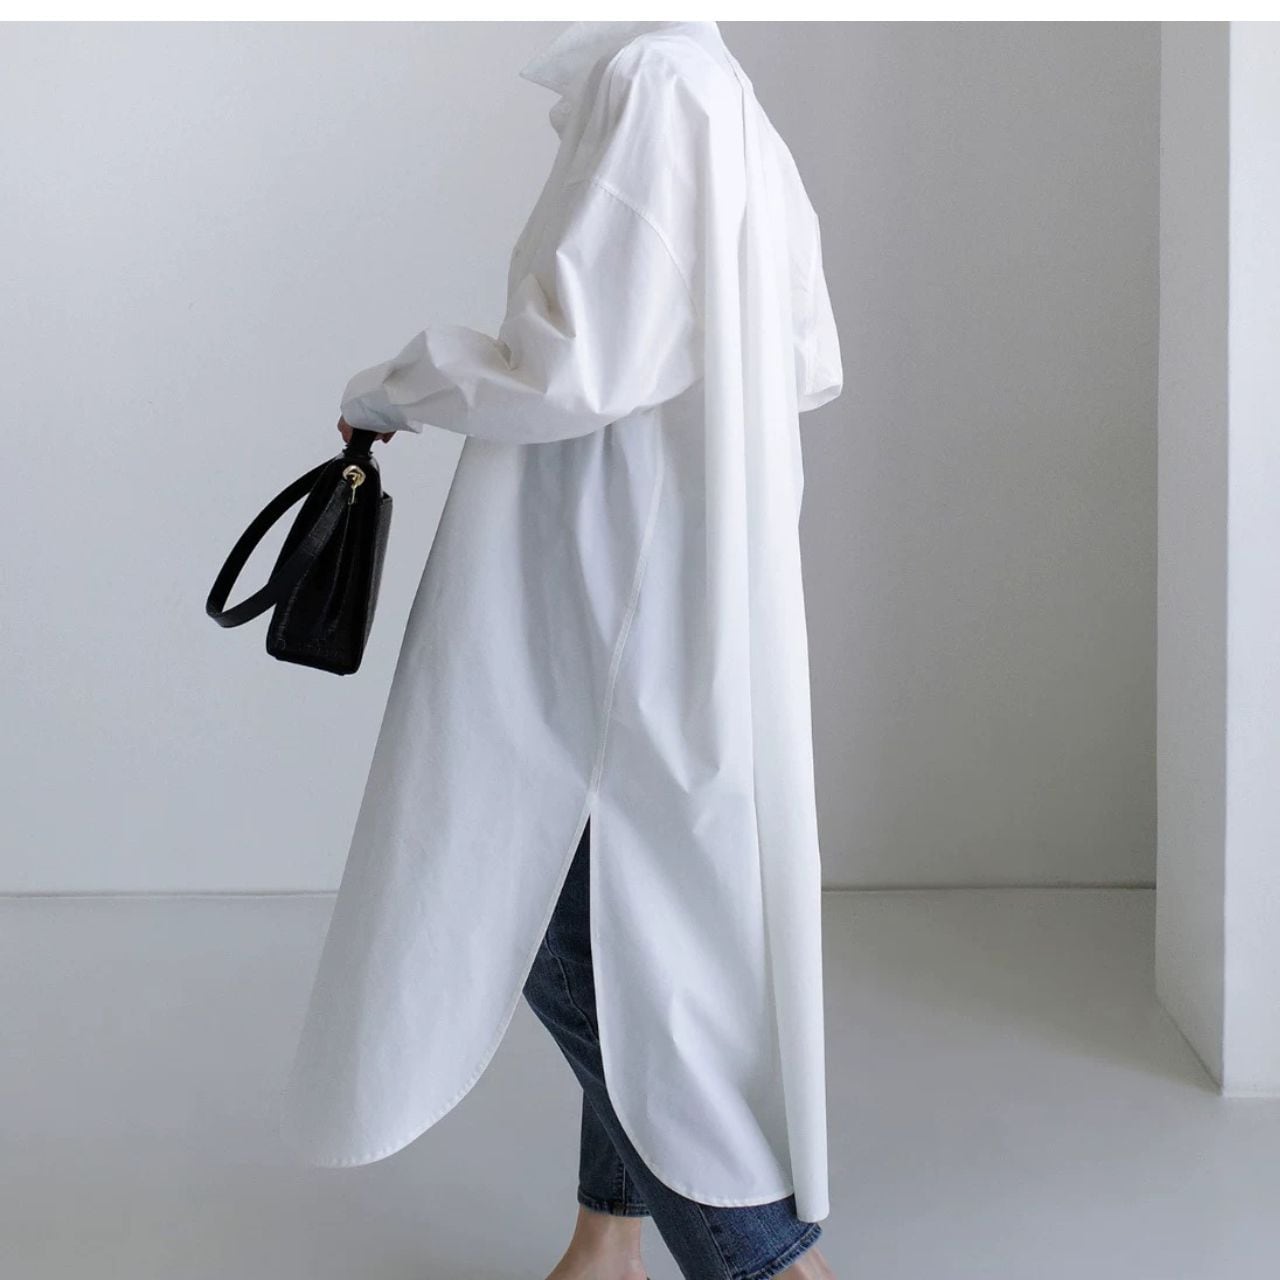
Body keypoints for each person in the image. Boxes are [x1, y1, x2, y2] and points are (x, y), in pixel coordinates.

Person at [283, 21, 843, 1280]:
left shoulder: (653, 82)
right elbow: (802, 352)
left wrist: (391, 386)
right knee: (636, 906)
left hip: (599, 584)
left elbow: (573, 365)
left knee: (539, 899)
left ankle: (766, 1260)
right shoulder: (723, 93)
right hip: (689, 572)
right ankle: (605, 1245)